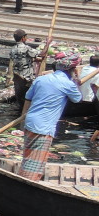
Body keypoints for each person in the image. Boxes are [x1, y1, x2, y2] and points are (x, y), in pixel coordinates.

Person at [19, 52, 82, 181]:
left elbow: (28, 98)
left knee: (28, 156)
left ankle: (23, 178)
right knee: (36, 163)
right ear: (71, 70)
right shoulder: (68, 84)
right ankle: (27, 183)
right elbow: (77, 99)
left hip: (30, 120)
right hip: (44, 126)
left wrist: (23, 119)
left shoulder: (41, 79)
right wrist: (77, 81)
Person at [10, 29, 45, 102]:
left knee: (20, 97)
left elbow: (21, 59)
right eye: (26, 37)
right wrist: (48, 44)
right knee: (28, 97)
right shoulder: (26, 48)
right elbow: (42, 53)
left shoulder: (12, 49)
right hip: (26, 78)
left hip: (17, 77)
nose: (26, 38)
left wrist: (35, 59)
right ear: (23, 38)